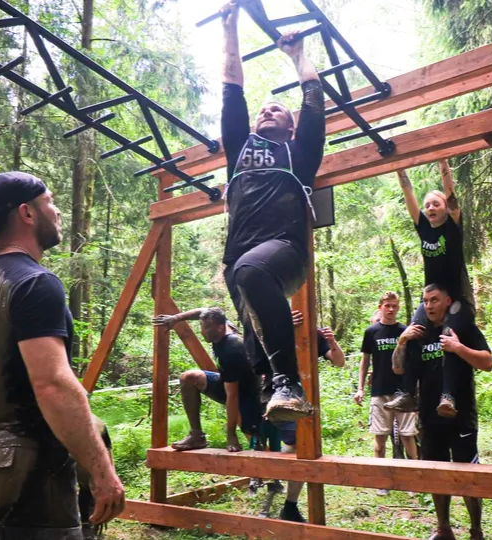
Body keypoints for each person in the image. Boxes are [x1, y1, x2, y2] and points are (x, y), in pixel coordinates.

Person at [0, 172, 124, 538]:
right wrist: (102, 472)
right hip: (31, 474)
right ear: (28, 213)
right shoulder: (36, 282)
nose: (57, 211)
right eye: (50, 201)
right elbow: (52, 384)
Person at [219, 1, 325, 423]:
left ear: (291, 126)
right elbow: (231, 88)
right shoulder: (239, 150)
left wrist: (297, 56)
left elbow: (314, 100)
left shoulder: (300, 153)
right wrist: (230, 25)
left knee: (252, 271)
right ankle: (273, 389)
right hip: (238, 256)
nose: (267, 109)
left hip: (285, 250)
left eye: (277, 109)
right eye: (264, 109)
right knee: (252, 330)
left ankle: (290, 383)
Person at [393, 284, 492, 540]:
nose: (429, 306)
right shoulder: (418, 333)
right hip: (429, 415)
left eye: (435, 300)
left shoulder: (463, 328)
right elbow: (398, 369)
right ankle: (443, 528)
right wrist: (402, 339)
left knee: (468, 474)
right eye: (425, 301)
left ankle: (476, 530)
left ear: (448, 301)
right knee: (436, 472)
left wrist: (459, 348)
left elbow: (487, 362)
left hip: (461, 415)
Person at [387, 162, 472, 415]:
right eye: (428, 206)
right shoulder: (423, 228)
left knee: (447, 336)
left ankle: (448, 397)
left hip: (456, 297)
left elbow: (452, 195)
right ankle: (407, 393)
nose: (431, 208)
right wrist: (400, 169)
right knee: (413, 332)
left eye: (436, 203)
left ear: (446, 208)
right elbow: (408, 195)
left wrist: (443, 163)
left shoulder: (453, 227)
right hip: (432, 298)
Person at [259, 309, 344, 522]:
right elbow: (257, 347)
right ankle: (279, 498)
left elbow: (338, 361)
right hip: (271, 397)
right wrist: (282, 324)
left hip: (298, 403)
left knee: (299, 446)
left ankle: (288, 505)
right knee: (285, 446)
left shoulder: (314, 336)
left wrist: (332, 341)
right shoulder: (276, 328)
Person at [152, 307, 261, 453]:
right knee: (189, 378)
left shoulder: (232, 349)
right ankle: (196, 435)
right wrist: (176, 318)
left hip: (249, 394)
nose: (202, 332)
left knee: (257, 435)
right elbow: (202, 311)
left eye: (205, 328)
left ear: (220, 327)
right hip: (227, 383)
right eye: (201, 327)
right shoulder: (220, 322)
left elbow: (232, 395)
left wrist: (231, 435)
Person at [354, 291, 418, 496]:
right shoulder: (371, 332)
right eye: (387, 305)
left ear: (398, 308)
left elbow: (413, 362)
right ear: (380, 306)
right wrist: (360, 387)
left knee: (409, 437)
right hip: (380, 391)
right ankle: (382, 481)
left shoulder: (405, 331)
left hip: (403, 393)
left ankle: (413, 482)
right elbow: (365, 361)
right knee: (380, 440)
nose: (391, 309)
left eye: (394, 306)